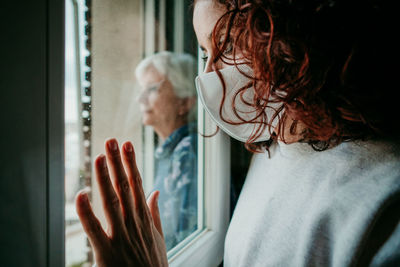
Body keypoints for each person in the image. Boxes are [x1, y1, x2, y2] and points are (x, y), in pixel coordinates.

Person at [75, 0, 400, 266]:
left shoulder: (385, 205)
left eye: (226, 45)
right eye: (205, 53)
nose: (207, 76)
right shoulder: (273, 149)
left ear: (293, 39)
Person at [135, 51, 198, 250]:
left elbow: (184, 243)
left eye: (152, 89)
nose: (141, 99)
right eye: (142, 90)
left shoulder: (187, 153)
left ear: (185, 103)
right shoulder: (169, 153)